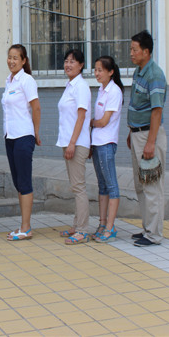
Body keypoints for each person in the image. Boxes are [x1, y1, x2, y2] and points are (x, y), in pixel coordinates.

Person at [127, 30, 167, 247]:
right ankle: (147, 229)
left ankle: (154, 235)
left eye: (135, 50)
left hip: (149, 136)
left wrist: (150, 143)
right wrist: (131, 132)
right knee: (141, 185)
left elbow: (156, 111)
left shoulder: (155, 75)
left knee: (152, 186)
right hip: (137, 134)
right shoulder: (139, 72)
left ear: (146, 51)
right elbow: (136, 105)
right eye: (131, 49)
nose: (131, 53)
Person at [2, 44, 41, 241]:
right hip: (10, 137)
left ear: (24, 60)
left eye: (16, 58)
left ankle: (26, 228)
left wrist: (35, 132)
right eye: (9, 57)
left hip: (23, 136)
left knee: (24, 181)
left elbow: (36, 108)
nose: (11, 61)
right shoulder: (9, 81)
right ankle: (23, 225)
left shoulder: (27, 80)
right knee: (18, 182)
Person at [57, 49, 92, 245]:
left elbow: (81, 117)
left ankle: (82, 230)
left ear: (81, 65)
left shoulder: (81, 87)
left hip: (76, 143)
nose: (68, 64)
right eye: (66, 61)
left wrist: (72, 143)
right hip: (69, 142)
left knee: (79, 187)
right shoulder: (70, 85)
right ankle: (77, 224)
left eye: (72, 61)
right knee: (75, 186)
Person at [90, 56, 124, 243]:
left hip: (106, 143)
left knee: (111, 186)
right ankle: (102, 224)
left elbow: (103, 121)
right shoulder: (101, 90)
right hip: (97, 143)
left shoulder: (114, 91)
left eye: (100, 70)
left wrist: (90, 122)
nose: (97, 73)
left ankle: (110, 227)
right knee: (102, 186)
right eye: (95, 70)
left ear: (110, 72)